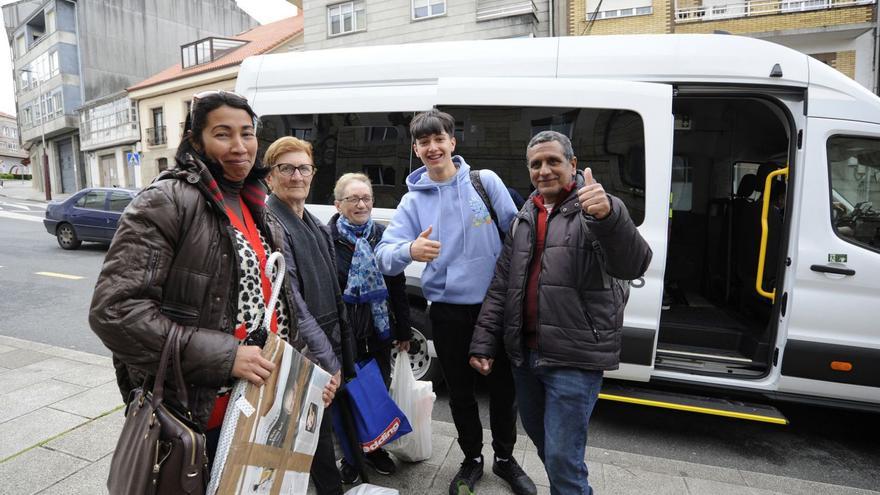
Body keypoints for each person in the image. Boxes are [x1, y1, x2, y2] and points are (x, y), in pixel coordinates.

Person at [88, 91, 339, 472]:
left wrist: (312, 374)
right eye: (223, 134)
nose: (240, 146)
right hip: (199, 414)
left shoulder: (259, 210)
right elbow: (115, 313)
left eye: (247, 133)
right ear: (195, 141)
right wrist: (227, 356)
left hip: (259, 407)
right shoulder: (167, 201)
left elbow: (280, 310)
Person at [469, 131, 652, 494]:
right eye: (536, 164)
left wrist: (609, 217)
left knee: (563, 462)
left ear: (572, 164)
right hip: (527, 357)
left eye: (553, 161)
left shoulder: (596, 208)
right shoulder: (525, 215)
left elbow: (635, 264)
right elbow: (502, 285)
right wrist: (484, 342)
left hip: (574, 359)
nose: (544, 170)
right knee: (548, 449)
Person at [375, 109, 536, 495]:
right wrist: (411, 248)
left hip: (493, 307)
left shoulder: (484, 182)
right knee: (461, 392)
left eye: (438, 139)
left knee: (503, 390)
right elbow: (384, 254)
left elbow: (519, 237)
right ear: (416, 149)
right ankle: (472, 459)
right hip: (446, 312)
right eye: (424, 142)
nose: (432, 148)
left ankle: (505, 458)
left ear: (452, 142)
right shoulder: (413, 202)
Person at [264, 136, 351, 495]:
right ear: (270, 177)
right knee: (308, 439)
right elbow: (294, 303)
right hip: (302, 351)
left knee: (319, 434)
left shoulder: (314, 223)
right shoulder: (272, 224)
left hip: (326, 343)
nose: (296, 175)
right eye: (286, 168)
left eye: (303, 168)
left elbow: (333, 290)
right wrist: (328, 363)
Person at [328, 172, 412, 482]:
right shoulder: (327, 239)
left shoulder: (383, 236)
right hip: (343, 335)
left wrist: (403, 330)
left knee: (376, 392)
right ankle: (351, 458)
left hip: (377, 333)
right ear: (338, 205)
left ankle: (375, 449)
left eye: (366, 199)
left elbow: (398, 285)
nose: (361, 204)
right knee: (347, 398)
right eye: (353, 199)